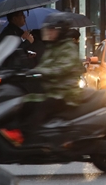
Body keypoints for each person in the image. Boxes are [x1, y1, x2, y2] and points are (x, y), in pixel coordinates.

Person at [21, 13, 87, 146]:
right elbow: (44, 64)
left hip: (65, 92)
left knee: (41, 109)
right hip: (52, 89)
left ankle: (36, 142)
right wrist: (28, 71)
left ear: (60, 31)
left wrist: (41, 72)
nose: (49, 33)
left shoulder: (68, 47)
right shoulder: (53, 47)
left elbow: (62, 67)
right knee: (26, 101)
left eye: (52, 30)